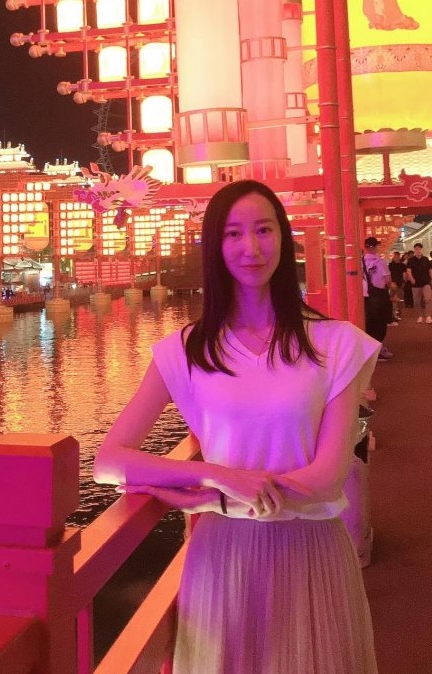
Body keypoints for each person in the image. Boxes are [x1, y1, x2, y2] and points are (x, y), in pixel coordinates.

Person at [94, 180, 380, 674]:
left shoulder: (335, 344)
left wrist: (213, 500)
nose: (251, 247)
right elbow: (108, 462)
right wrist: (218, 476)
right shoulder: (186, 350)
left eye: (264, 230)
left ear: (283, 238)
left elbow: (326, 479)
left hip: (310, 551)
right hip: (223, 557)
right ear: (214, 246)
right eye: (233, 234)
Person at [362, 236, 393, 361]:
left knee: (368, 324)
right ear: (374, 247)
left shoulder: (360, 261)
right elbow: (388, 280)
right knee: (380, 324)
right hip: (379, 296)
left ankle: (368, 350)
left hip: (364, 297)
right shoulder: (380, 262)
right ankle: (378, 350)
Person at [405, 242, 432, 323]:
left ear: (421, 249)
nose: (418, 250)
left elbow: (430, 270)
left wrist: (431, 278)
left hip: (426, 282)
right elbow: (408, 271)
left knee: (428, 298)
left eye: (419, 249)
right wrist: (411, 279)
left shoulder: (425, 259)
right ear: (414, 250)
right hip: (415, 283)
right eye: (416, 249)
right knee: (417, 301)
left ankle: (428, 316)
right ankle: (420, 316)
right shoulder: (411, 260)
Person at [388, 250, 405, 322]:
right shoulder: (390, 265)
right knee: (393, 299)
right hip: (392, 284)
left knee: (400, 299)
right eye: (395, 256)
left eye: (397, 256)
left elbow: (404, 274)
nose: (396, 257)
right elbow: (388, 274)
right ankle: (394, 314)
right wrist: (390, 283)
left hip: (400, 283)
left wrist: (404, 282)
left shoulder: (402, 265)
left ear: (399, 257)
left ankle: (398, 311)